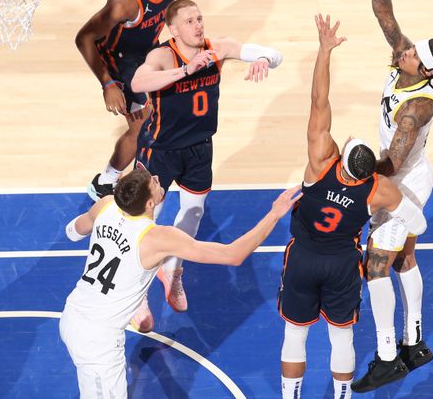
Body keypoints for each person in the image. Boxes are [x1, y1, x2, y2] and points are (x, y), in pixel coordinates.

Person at [278, 14, 426, 399]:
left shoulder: (319, 162)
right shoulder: (378, 190)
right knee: (340, 336)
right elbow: (418, 223)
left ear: (340, 156)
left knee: (296, 332)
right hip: (342, 263)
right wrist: (406, 238)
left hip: (304, 256)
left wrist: (324, 52)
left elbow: (318, 100)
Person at [59, 167, 302, 399]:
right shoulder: (158, 238)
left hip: (73, 313)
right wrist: (274, 215)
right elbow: (233, 255)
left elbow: (74, 230)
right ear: (150, 203)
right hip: (98, 340)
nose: (156, 177)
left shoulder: (106, 205)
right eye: (153, 181)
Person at [129, 0, 283, 322]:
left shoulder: (218, 48)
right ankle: (136, 293)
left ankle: (172, 270)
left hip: (199, 147)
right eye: (189, 21)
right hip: (160, 149)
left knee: (194, 210)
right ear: (173, 30)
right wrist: (185, 70)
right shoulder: (162, 55)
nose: (198, 25)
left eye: (199, 19)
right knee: (146, 221)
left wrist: (264, 61)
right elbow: (138, 83)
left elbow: (275, 54)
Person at [352, 0, 433, 393]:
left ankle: (389, 356)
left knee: (375, 265)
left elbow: (391, 160)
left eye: (411, 52)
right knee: (405, 258)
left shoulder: (417, 107)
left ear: (423, 71)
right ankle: (414, 344)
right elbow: (383, 12)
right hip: (406, 175)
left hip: (402, 182)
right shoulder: (403, 59)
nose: (404, 48)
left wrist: (352, 167)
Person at [75, 0, 180, 201]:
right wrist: (108, 84)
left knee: (166, 113)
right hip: (119, 61)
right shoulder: (124, 2)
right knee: (141, 127)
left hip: (146, 51)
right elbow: (84, 38)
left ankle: (140, 170)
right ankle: (105, 182)